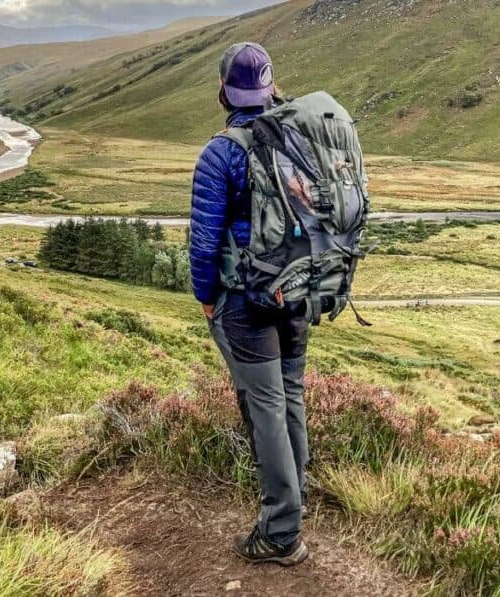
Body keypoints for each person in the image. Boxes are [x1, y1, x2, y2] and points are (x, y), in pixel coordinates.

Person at [189, 42, 311, 567]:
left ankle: (282, 533)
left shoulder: (220, 152)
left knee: (265, 409)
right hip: (299, 288)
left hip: (247, 300)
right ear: (271, 85)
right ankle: (295, 499)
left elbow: (204, 241)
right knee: (291, 398)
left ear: (224, 91)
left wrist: (205, 298)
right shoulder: (301, 137)